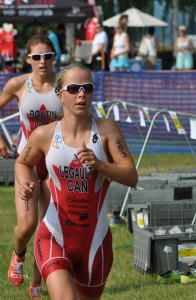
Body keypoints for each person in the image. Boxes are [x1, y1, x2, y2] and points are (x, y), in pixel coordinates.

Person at [15, 63, 138, 300]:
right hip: (53, 235)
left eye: (87, 88)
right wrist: (23, 183)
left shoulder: (107, 130)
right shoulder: (45, 134)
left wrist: (100, 165)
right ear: (60, 95)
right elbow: (22, 162)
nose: (81, 94)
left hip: (96, 243)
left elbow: (131, 177)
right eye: (73, 88)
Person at [0, 34, 63, 298]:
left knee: (47, 228)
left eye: (47, 56)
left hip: (53, 165)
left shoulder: (64, 85)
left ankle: (36, 284)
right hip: (27, 163)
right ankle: (18, 254)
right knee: (26, 226)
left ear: (54, 58)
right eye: (36, 57)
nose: (42, 62)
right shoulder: (18, 84)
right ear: (28, 59)